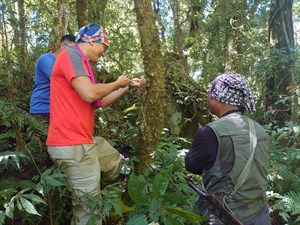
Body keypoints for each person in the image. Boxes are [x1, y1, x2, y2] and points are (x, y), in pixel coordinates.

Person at [46, 23, 146, 225]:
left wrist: (125, 86)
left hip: (83, 141)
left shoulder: (82, 64)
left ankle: (112, 202)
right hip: (72, 145)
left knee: (114, 160)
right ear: (92, 40)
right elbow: (90, 92)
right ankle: (103, 206)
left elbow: (98, 101)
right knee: (88, 212)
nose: (104, 52)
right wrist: (116, 82)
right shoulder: (71, 55)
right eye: (104, 47)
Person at [185, 72, 271, 225]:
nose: (208, 98)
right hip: (260, 213)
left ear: (216, 98)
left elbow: (191, 165)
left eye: (209, 94)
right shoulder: (260, 129)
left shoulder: (210, 132)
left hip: (225, 216)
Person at [29, 34, 76, 122]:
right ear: (62, 45)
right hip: (41, 109)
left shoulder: (67, 64)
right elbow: (59, 82)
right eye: (72, 49)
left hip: (56, 110)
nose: (73, 53)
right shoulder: (46, 59)